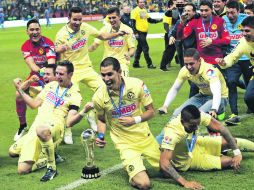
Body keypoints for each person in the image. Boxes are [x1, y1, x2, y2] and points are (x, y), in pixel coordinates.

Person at [9, 61, 92, 182]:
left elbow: (69, 122)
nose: (57, 76)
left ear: (70, 74)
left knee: (23, 169)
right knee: (12, 152)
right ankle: (51, 153)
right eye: (57, 73)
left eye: (61, 74)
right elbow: (33, 104)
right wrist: (20, 89)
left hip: (54, 128)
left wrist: (84, 111)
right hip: (36, 128)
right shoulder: (51, 85)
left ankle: (51, 167)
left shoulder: (75, 95)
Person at [55, 7, 128, 144]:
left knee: (104, 89)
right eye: (74, 19)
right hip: (71, 71)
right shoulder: (61, 34)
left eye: (79, 19)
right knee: (72, 99)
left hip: (87, 68)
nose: (77, 22)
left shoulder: (86, 27)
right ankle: (68, 129)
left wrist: (117, 34)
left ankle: (91, 114)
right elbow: (58, 58)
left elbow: (103, 36)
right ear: (69, 19)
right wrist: (59, 51)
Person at [92, 57, 161, 189]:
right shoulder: (99, 96)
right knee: (144, 184)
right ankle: (133, 171)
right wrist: (100, 136)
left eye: (109, 74)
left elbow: (151, 111)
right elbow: (101, 119)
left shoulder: (137, 85)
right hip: (124, 143)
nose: (106, 79)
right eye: (103, 75)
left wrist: (134, 120)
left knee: (168, 169)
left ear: (119, 71)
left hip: (144, 137)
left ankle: (135, 167)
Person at [160, 105, 254, 190]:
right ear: (182, 122)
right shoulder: (172, 133)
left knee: (233, 141)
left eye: (198, 124)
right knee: (230, 161)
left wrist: (237, 152)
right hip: (187, 161)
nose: (196, 128)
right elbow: (164, 162)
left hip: (198, 143)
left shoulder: (197, 116)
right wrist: (185, 182)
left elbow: (221, 127)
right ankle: (223, 155)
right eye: (192, 125)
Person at [157, 48, 228, 143]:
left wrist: (214, 108)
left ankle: (187, 142)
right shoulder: (184, 70)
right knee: (177, 112)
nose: (188, 67)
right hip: (202, 96)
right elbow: (175, 88)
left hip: (220, 98)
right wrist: (165, 105)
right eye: (186, 64)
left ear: (199, 61)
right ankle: (160, 140)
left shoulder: (209, 71)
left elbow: (217, 92)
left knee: (197, 115)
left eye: (191, 64)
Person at [14, 18, 56, 141]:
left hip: (51, 77)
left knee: (52, 101)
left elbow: (51, 63)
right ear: (27, 32)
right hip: (35, 77)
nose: (35, 32)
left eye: (37, 29)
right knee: (18, 94)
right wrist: (39, 74)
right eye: (31, 30)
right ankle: (23, 125)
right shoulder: (25, 46)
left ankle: (62, 127)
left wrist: (46, 75)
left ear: (40, 30)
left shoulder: (48, 42)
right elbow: (32, 65)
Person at [223, 1, 252, 125]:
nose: (230, 15)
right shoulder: (222, 21)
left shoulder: (247, 20)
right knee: (231, 82)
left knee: (248, 86)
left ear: (238, 11)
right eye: (228, 12)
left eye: (232, 13)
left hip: (247, 61)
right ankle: (234, 112)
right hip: (233, 59)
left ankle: (250, 109)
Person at [216, 16, 254, 113]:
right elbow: (233, 56)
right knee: (249, 98)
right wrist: (224, 62)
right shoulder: (243, 42)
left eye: (247, 31)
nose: (244, 34)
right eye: (242, 31)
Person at [177, 0, 230, 65]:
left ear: (211, 10)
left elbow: (227, 40)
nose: (203, 13)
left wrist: (212, 41)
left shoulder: (220, 21)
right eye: (201, 10)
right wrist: (182, 23)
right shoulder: (194, 22)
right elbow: (180, 37)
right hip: (201, 62)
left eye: (206, 10)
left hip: (217, 61)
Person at [89, 7, 135, 77]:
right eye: (109, 18)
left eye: (114, 17)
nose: (111, 20)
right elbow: (95, 45)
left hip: (121, 64)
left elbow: (132, 48)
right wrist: (85, 49)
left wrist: (129, 54)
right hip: (107, 64)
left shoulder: (127, 30)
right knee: (106, 86)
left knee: (123, 85)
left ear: (119, 17)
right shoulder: (104, 29)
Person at [131, 0, 162, 69]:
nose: (142, 3)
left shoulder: (143, 10)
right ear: (137, 3)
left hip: (144, 32)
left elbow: (149, 20)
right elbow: (132, 23)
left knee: (140, 48)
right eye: (140, 2)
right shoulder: (135, 11)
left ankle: (135, 63)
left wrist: (159, 20)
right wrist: (135, 33)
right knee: (145, 48)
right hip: (139, 32)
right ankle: (149, 64)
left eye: (143, 2)